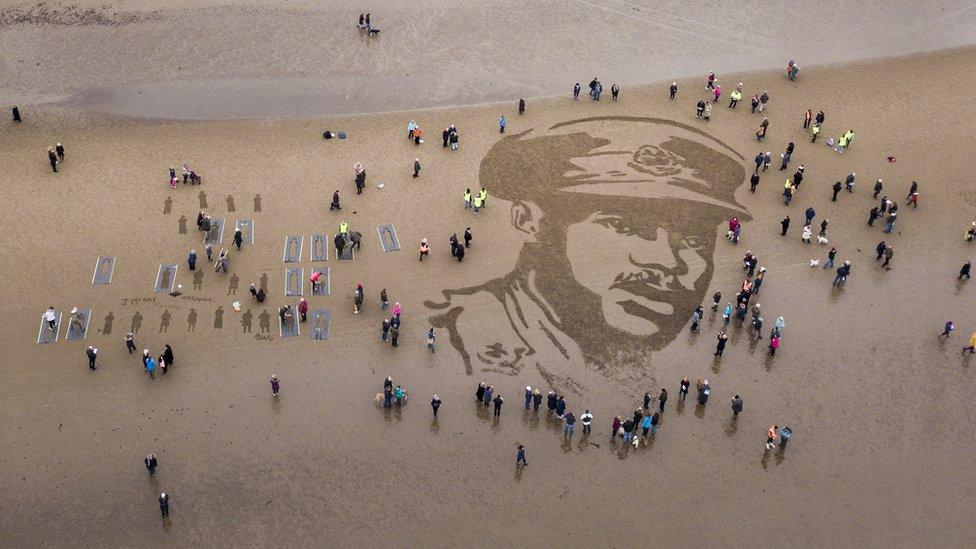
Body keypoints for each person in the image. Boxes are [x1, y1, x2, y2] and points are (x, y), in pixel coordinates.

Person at [425, 117, 754, 389]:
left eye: (694, 240)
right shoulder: (462, 332)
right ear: (530, 221)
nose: (668, 262)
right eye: (623, 226)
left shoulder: (616, 359)